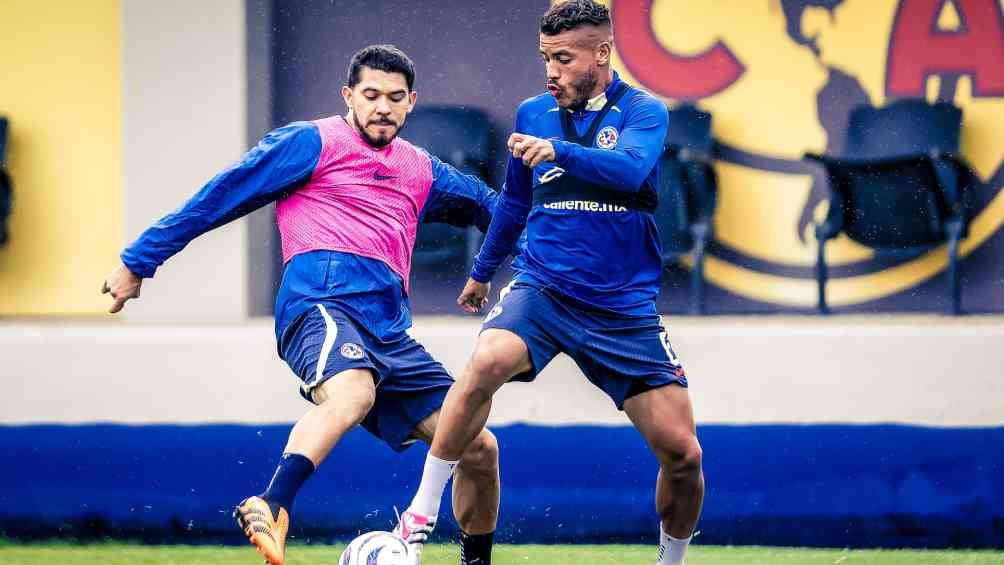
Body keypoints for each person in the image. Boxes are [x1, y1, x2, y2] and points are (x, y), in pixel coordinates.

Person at [101, 45, 500, 565]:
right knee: (352, 393)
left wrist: (536, 257)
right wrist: (138, 261)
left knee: (478, 448)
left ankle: (477, 562)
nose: (382, 106)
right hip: (321, 305)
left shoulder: (422, 170)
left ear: (410, 103)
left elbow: (495, 211)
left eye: (395, 98)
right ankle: (273, 502)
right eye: (371, 95)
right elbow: (220, 196)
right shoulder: (310, 142)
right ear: (348, 96)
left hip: (388, 331)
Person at [394, 2, 704, 565]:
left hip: (622, 309)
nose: (551, 71)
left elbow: (632, 170)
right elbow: (513, 202)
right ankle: (418, 514)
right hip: (543, 290)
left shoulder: (644, 113)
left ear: (602, 54)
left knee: (683, 456)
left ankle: (671, 561)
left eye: (563, 58)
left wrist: (560, 151)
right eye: (545, 58)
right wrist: (482, 272)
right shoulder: (532, 113)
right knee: (486, 361)